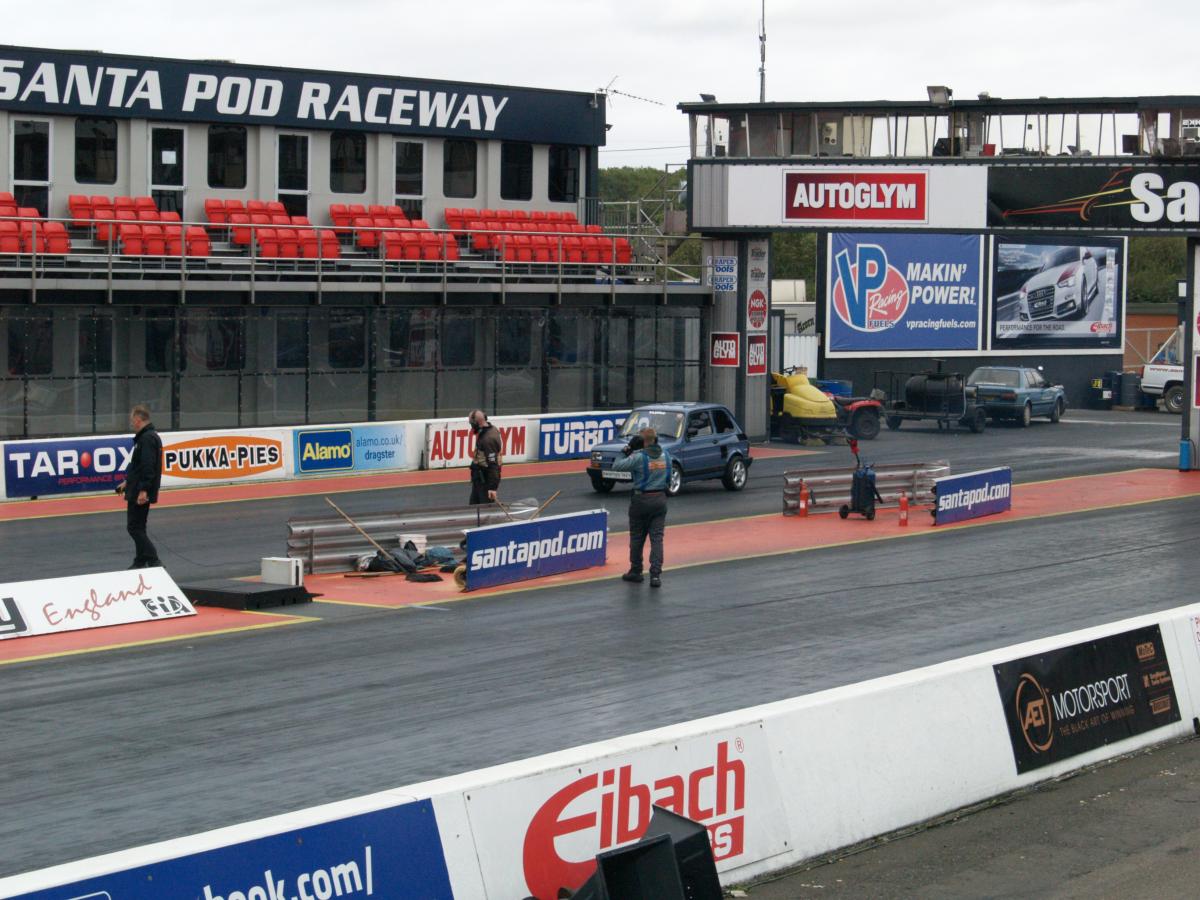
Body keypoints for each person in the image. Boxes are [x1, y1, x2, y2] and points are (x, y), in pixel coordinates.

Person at [611, 427, 671, 588]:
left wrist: (627, 449)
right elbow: (669, 479)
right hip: (659, 499)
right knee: (657, 539)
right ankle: (655, 575)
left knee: (637, 537)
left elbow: (616, 466)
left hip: (641, 500)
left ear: (642, 441)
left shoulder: (639, 457)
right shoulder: (666, 455)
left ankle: (636, 571)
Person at [115, 405, 163, 569]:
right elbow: (137, 466)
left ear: (138, 420)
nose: (131, 423)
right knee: (139, 527)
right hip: (136, 487)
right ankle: (140, 560)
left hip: (139, 491)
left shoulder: (147, 439)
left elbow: (148, 467)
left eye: (132, 420)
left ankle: (153, 559)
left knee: (134, 527)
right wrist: (127, 482)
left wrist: (143, 490)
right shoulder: (146, 437)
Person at [467, 409, 503, 505]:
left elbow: (494, 465)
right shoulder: (486, 430)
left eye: (471, 423)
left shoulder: (488, 439)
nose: (471, 426)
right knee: (473, 507)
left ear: (476, 423)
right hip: (479, 479)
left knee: (485, 511)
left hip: (485, 482)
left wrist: (492, 488)